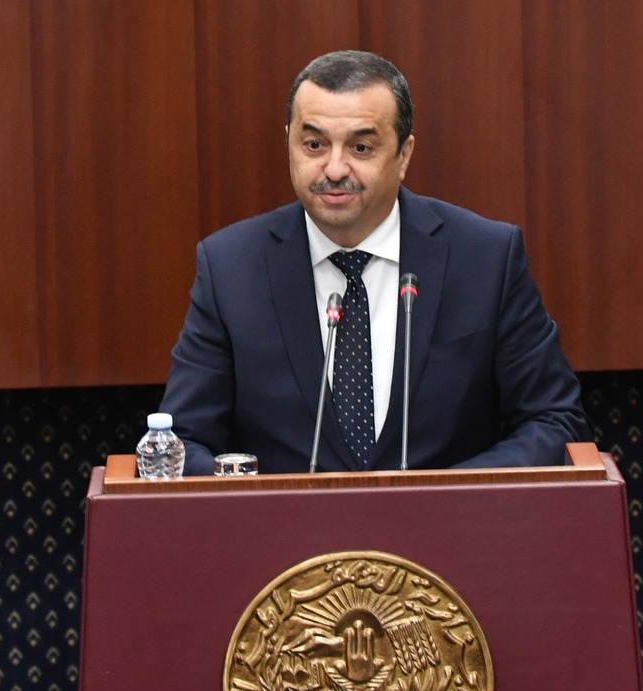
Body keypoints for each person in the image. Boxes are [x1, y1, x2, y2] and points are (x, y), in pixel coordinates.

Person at [157, 51, 591, 475]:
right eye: (314, 144)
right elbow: (179, 442)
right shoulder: (231, 268)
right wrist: (259, 497)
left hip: (449, 522)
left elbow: (555, 420)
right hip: (286, 525)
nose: (333, 169)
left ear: (404, 155)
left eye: (361, 147)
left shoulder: (485, 258)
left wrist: (450, 496)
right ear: (288, 143)